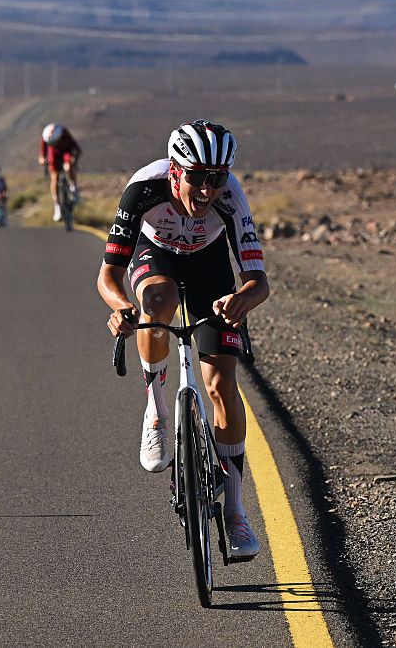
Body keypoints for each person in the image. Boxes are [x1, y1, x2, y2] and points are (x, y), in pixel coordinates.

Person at [96, 119, 269, 560]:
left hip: (210, 266)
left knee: (221, 385)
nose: (208, 189)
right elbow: (109, 275)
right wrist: (122, 307)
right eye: (197, 177)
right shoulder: (144, 189)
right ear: (175, 171)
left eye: (217, 178)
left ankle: (235, 510)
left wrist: (241, 299)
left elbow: (258, 280)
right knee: (158, 300)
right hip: (156, 256)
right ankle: (156, 411)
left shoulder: (231, 197)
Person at [38, 123, 81, 222]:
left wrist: (74, 160)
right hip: (53, 155)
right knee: (54, 177)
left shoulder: (64, 133)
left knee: (68, 167)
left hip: (66, 152)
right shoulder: (45, 137)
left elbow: (76, 148)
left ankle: (74, 188)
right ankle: (57, 205)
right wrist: (42, 159)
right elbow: (42, 154)